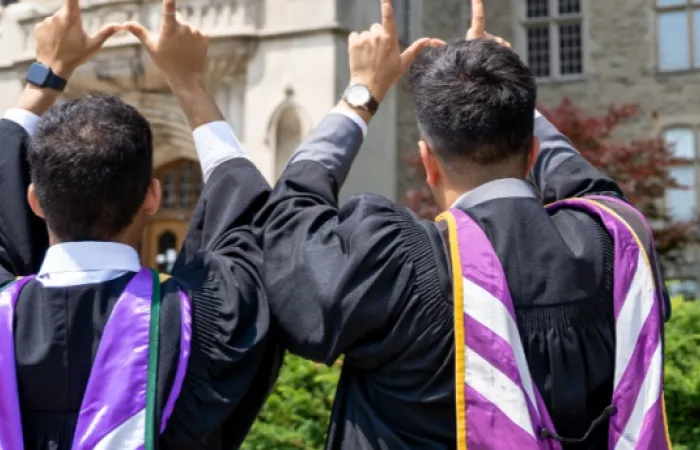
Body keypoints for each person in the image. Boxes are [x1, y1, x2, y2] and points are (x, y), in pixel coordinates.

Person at [254, 0, 671, 448]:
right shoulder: (613, 249)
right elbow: (588, 184)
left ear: (427, 162)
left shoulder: (400, 270)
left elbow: (288, 224)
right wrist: (506, 93)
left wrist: (360, 94)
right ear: (533, 154)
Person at [0, 1, 280, 448]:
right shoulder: (201, 324)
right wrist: (189, 82)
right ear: (153, 197)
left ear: (35, 200)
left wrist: (46, 71)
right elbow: (247, 223)